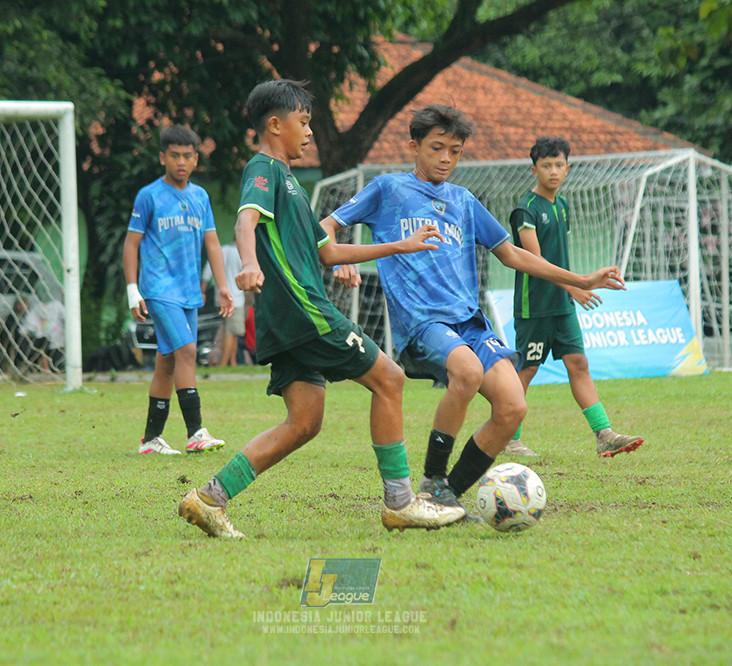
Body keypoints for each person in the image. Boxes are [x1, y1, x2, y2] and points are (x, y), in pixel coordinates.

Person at [178, 80, 466, 538]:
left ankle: (210, 497)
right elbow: (244, 219)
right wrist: (248, 264)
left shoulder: (290, 182)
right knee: (390, 378)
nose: (309, 132)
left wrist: (399, 246)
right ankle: (401, 502)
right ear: (276, 124)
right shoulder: (264, 169)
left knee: (304, 422)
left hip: (285, 319)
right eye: (304, 122)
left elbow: (327, 252)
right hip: (301, 310)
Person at [321, 105, 628, 518]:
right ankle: (432, 478)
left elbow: (512, 255)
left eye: (455, 151)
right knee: (465, 372)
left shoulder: (464, 201)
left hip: (470, 322)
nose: (446, 158)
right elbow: (326, 226)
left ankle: (445, 496)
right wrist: (342, 258)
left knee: (513, 406)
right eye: (437, 148)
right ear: (414, 147)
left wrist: (580, 280)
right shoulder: (388, 189)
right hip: (423, 321)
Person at [509, 136, 643, 458]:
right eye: (546, 166)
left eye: (559, 165)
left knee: (579, 364)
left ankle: (604, 434)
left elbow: (559, 258)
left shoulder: (563, 205)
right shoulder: (525, 210)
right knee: (527, 370)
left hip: (562, 305)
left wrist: (573, 290)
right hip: (535, 308)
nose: (553, 171)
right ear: (534, 169)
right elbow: (537, 263)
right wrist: (576, 287)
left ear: (567, 168)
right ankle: (509, 438)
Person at [123, 124, 233, 456]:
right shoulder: (149, 195)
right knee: (187, 351)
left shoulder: (200, 197)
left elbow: (212, 243)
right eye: (174, 156)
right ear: (162, 157)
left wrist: (223, 287)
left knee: (167, 360)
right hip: (158, 288)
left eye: (187, 156)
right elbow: (131, 245)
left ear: (196, 159)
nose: (181, 162)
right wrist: (133, 289)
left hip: (188, 291)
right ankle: (195, 432)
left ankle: (151, 440)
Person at [202, 243, 247, 366]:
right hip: (235, 299)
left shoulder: (219, 250)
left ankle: (233, 362)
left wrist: (202, 292)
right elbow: (245, 274)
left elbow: (207, 273)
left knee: (232, 332)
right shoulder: (241, 254)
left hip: (220, 298)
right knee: (230, 332)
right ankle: (223, 364)